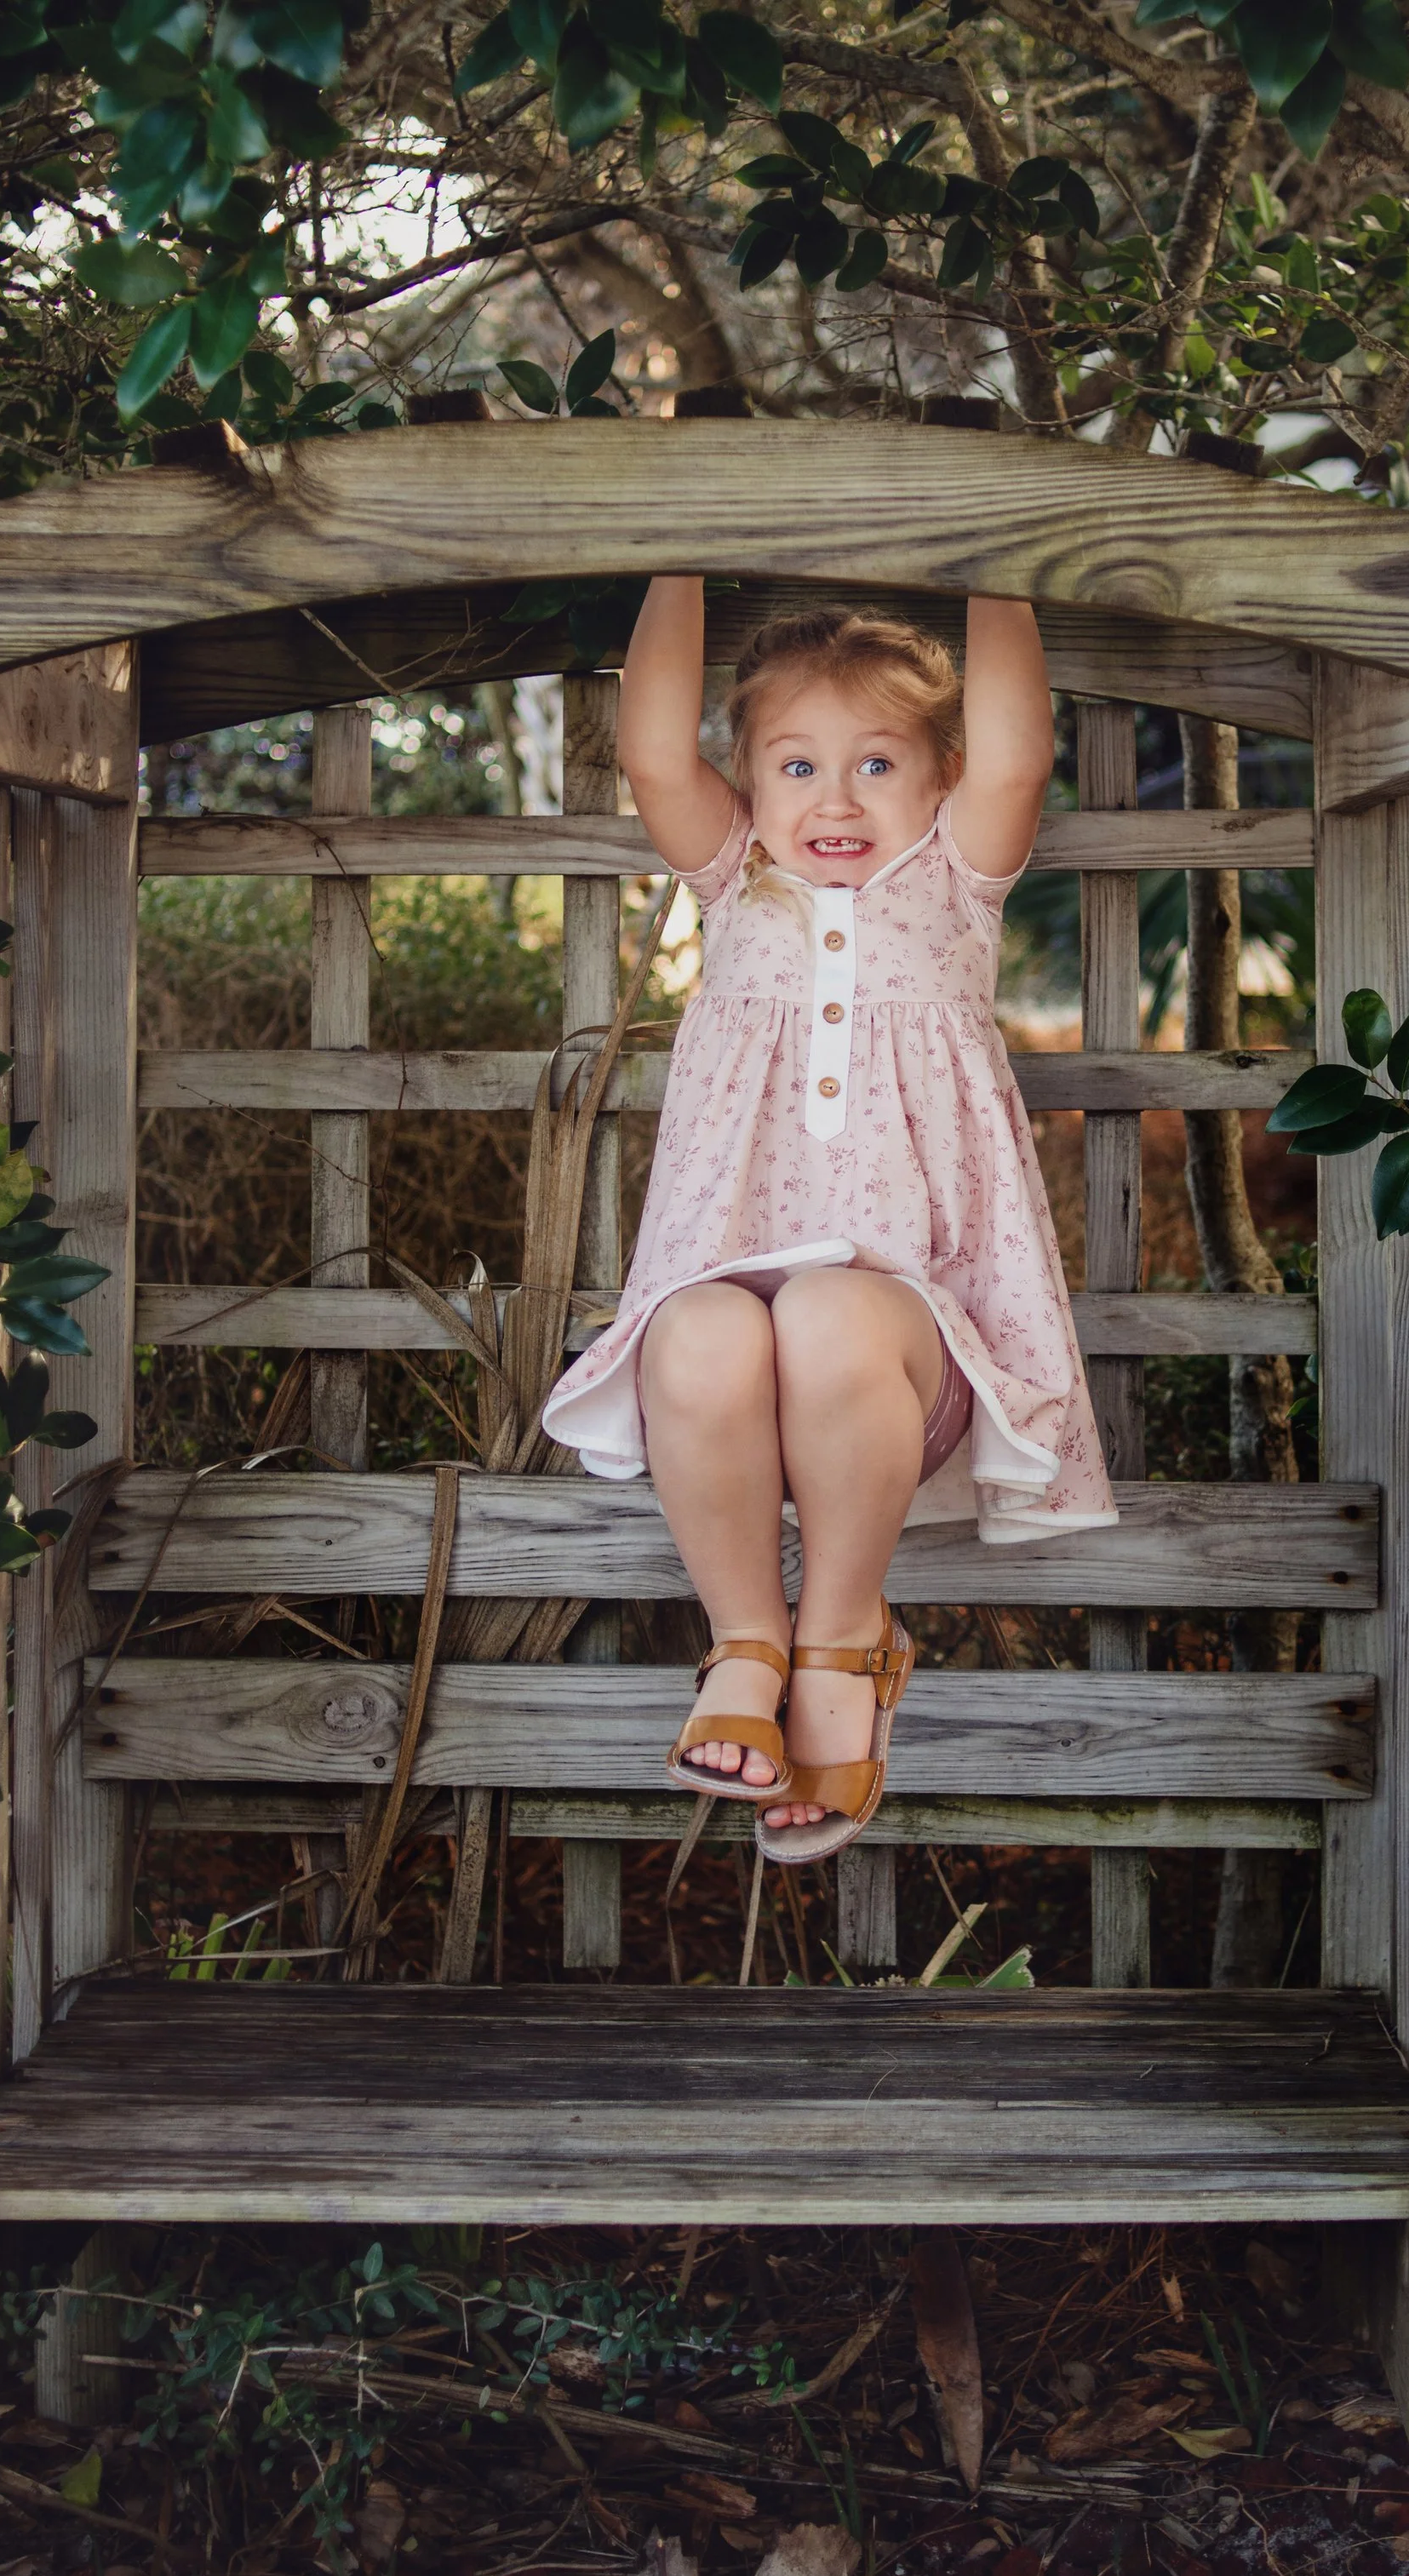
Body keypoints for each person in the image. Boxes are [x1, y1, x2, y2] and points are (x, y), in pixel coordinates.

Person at [541, 581, 1116, 1867]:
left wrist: (997, 564)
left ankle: (844, 1634)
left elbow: (1021, 749)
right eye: (797, 766)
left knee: (828, 1304)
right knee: (691, 1334)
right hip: (737, 1360)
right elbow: (647, 748)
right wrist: (678, 559)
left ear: (939, 779)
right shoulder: (736, 875)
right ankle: (747, 1640)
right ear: (746, 781)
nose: (837, 800)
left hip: (905, 1354)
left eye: (877, 763)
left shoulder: (954, 883)